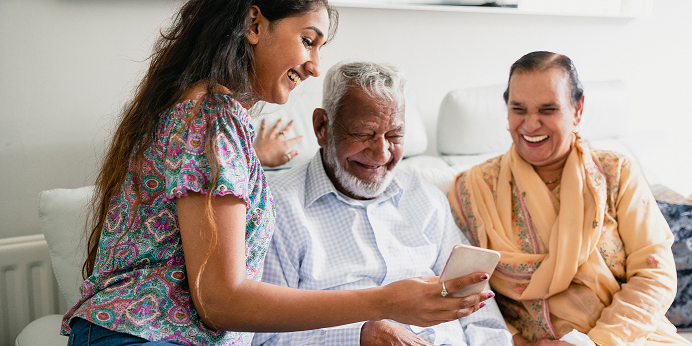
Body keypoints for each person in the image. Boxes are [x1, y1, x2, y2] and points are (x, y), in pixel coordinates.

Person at [61, 1, 487, 345]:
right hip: (145, 335)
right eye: (307, 40)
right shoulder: (211, 116)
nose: (315, 65)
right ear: (254, 23)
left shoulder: (213, 117)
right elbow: (219, 299)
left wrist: (252, 159)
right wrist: (385, 302)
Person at [252, 61, 511, 346]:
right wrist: (359, 336)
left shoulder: (427, 199)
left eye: (395, 136)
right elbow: (263, 336)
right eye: (364, 134)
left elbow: (481, 316)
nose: (381, 153)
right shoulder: (275, 206)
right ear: (322, 127)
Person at [447, 51, 691, 346]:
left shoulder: (616, 174)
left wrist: (594, 342)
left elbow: (654, 274)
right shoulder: (473, 189)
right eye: (518, 109)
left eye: (547, 109)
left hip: (630, 338)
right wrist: (517, 343)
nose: (531, 124)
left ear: (578, 109)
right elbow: (463, 291)